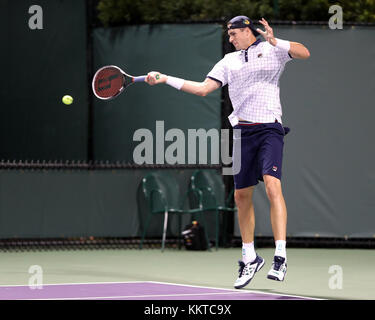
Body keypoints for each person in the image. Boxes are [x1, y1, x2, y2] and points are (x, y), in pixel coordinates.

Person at [145, 16, 310, 289]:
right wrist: (164, 79)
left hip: (270, 129)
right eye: (229, 35)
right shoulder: (228, 61)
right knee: (241, 195)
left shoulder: (273, 50)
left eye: (234, 34)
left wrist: (275, 40)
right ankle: (249, 257)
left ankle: (280, 255)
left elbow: (304, 52)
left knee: (272, 186)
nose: (230, 39)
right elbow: (202, 89)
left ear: (247, 31)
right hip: (241, 133)